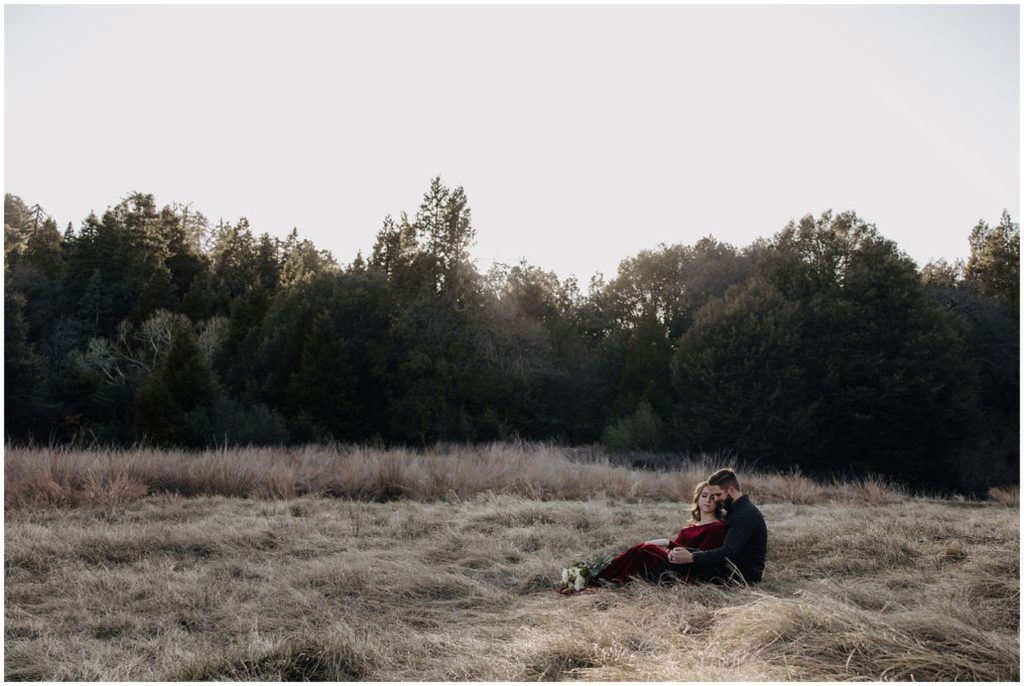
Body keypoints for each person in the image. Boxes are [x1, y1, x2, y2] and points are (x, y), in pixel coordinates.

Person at [579, 481, 727, 590]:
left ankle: (600, 579)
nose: (708, 500)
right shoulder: (687, 529)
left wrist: (667, 543)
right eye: (704, 495)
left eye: (713, 497)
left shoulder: (717, 527)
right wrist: (668, 548)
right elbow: (673, 554)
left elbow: (703, 556)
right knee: (642, 549)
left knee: (647, 548)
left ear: (718, 502)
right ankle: (598, 575)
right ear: (698, 498)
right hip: (673, 565)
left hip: (688, 573)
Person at [663, 467, 767, 584]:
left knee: (660, 560)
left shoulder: (746, 514)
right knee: (664, 557)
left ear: (731, 490)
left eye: (718, 494)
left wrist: (692, 557)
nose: (716, 499)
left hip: (740, 576)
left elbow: (728, 552)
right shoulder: (735, 511)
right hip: (727, 568)